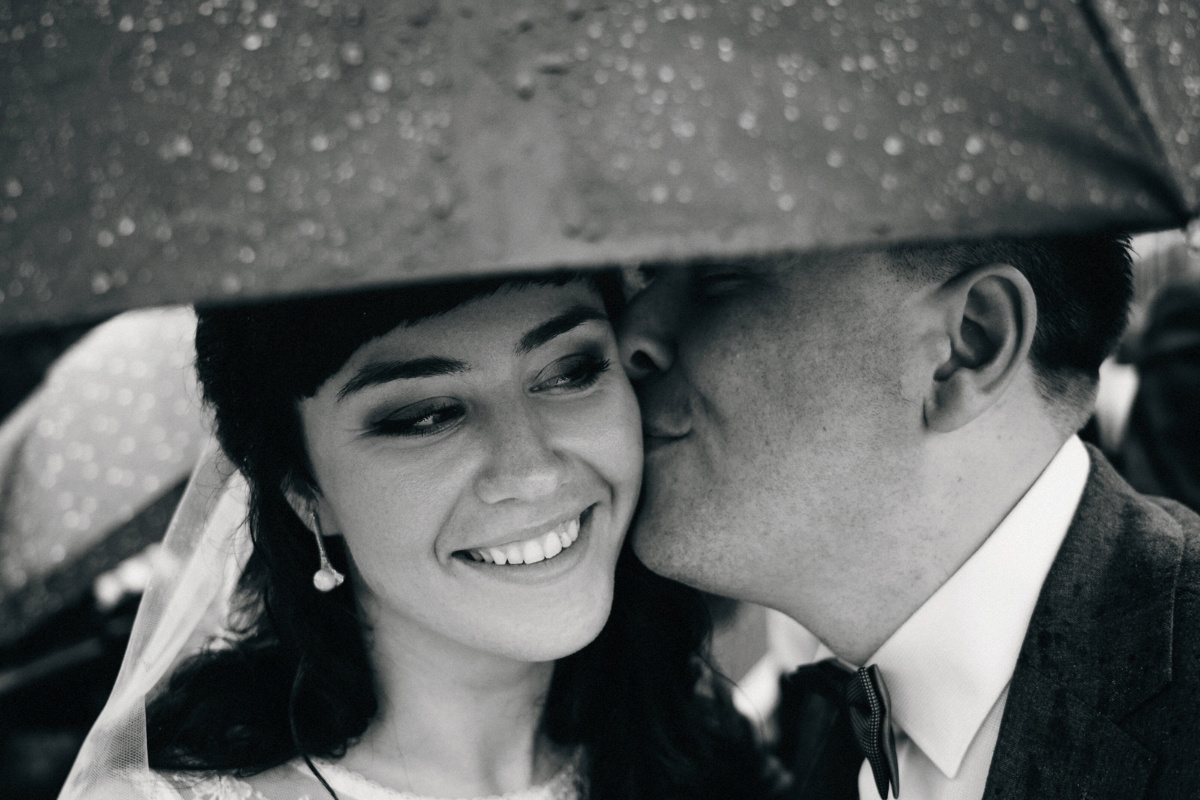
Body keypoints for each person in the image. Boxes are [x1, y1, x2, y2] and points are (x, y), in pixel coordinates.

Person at [60, 272, 771, 800]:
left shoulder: (714, 763)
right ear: (305, 493)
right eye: (427, 415)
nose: (531, 472)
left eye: (569, 372)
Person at [617, 234, 1200, 799]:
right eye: (647, 278)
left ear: (967, 343)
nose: (631, 336)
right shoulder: (837, 703)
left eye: (720, 276)